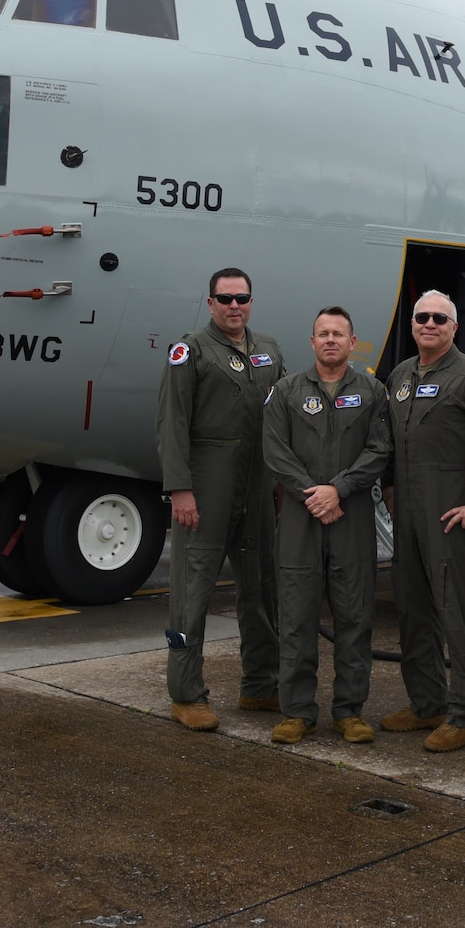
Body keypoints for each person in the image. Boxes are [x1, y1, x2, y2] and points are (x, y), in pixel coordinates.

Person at [379, 289, 465, 752]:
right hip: (409, 518)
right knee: (413, 610)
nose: (430, 324)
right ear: (413, 324)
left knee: (458, 614)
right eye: (422, 317)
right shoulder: (400, 376)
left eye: (441, 318)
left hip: (450, 514)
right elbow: (389, 444)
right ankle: (427, 704)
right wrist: (392, 491)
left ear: (454, 327)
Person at [156, 266, 285, 731]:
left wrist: (284, 481)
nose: (235, 306)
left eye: (242, 298)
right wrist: (180, 489)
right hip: (206, 486)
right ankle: (186, 693)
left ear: (251, 302)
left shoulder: (268, 351)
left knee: (262, 588)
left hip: (257, 485)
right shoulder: (189, 351)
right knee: (193, 592)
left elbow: (282, 419)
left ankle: (261, 685)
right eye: (225, 299)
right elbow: (171, 424)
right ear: (210, 303)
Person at [260, 306, 392, 745]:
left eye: (339, 333)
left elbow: (379, 450)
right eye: (323, 333)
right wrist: (313, 495)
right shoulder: (286, 391)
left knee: (355, 618)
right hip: (301, 519)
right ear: (312, 342)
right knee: (296, 619)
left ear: (353, 343)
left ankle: (350, 712)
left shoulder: (373, 391)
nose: (331, 340)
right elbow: (275, 451)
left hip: (351, 517)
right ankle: (297, 712)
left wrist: (339, 489)